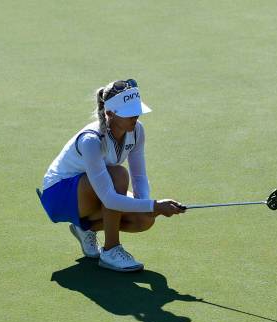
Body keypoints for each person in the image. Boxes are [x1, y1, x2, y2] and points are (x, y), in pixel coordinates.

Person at [38, 79, 185, 272]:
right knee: (118, 175)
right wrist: (153, 205)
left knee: (144, 220)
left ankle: (85, 229)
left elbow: (139, 175)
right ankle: (111, 250)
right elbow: (109, 197)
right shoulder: (91, 140)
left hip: (93, 190)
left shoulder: (137, 130)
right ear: (110, 113)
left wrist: (147, 206)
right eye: (129, 112)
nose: (135, 116)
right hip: (58, 195)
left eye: (137, 110)